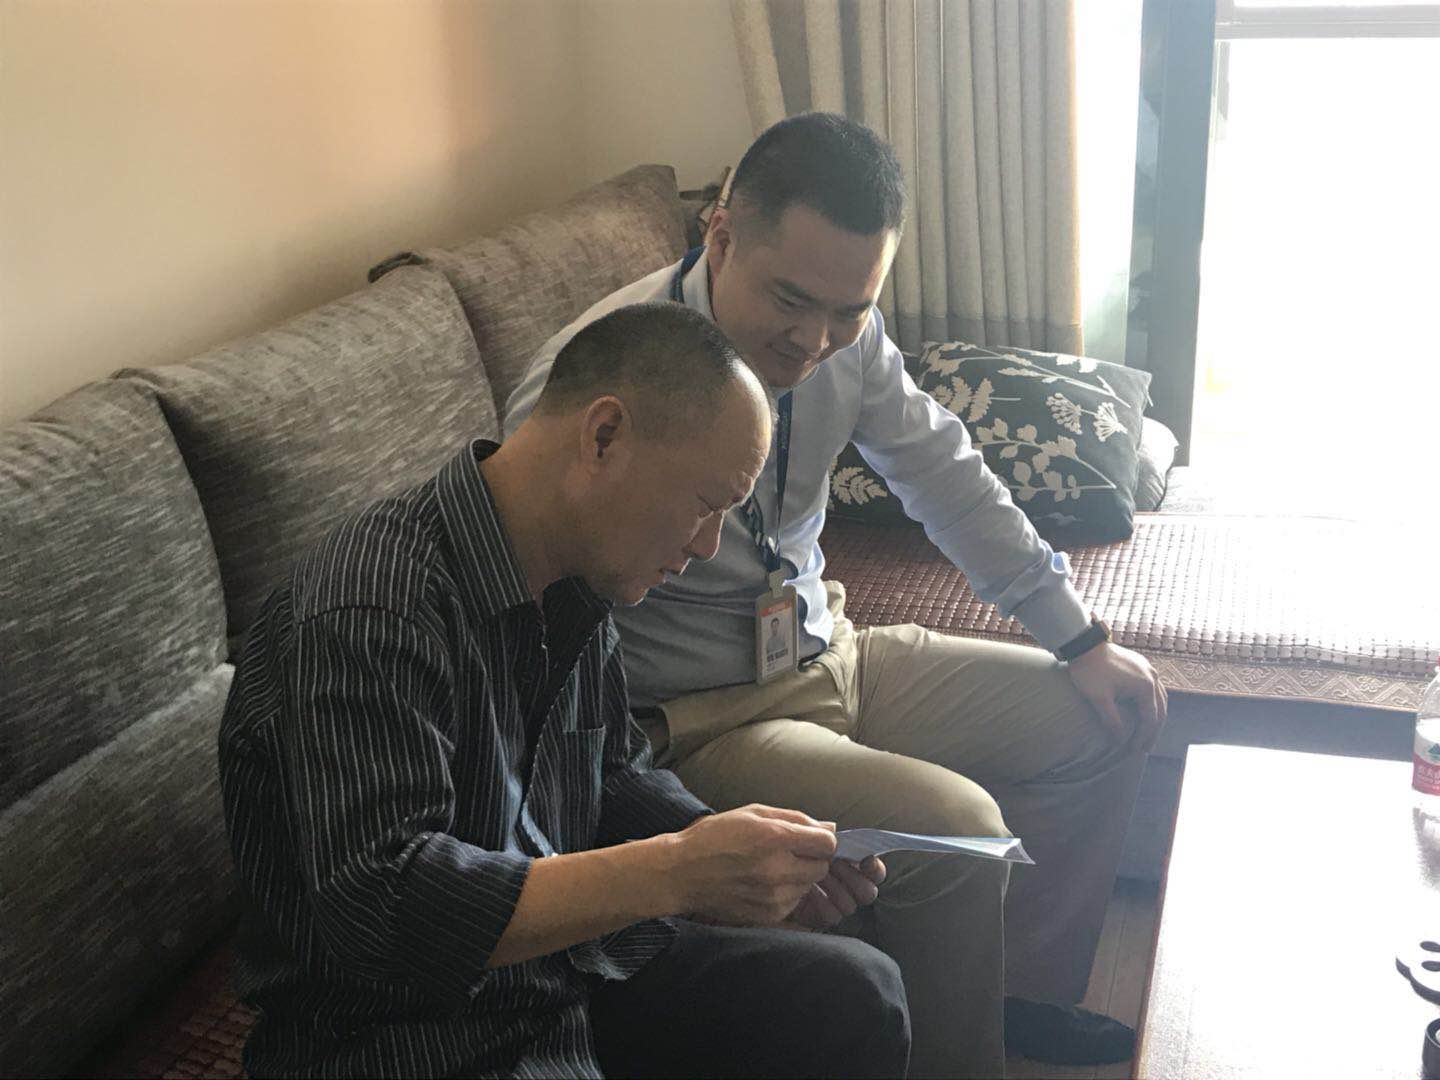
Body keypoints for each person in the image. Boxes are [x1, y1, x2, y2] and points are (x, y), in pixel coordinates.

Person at [505, 114, 1168, 1077]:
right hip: (703, 717)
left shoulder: (843, 340)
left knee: (1107, 712)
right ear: (720, 235)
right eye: (790, 299)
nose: (814, 340)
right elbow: (542, 623)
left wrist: (1081, 638)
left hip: (831, 647)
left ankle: (1009, 995)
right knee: (959, 831)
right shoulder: (598, 383)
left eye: (849, 310)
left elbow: (944, 475)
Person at [218, 303, 910, 1079]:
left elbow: (611, 773)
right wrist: (675, 871)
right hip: (405, 1036)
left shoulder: (577, 579)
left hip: (559, 974)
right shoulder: (370, 610)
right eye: (705, 504)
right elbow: (387, 908)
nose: (707, 545)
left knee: (857, 993)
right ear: (603, 436)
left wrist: (737, 861)